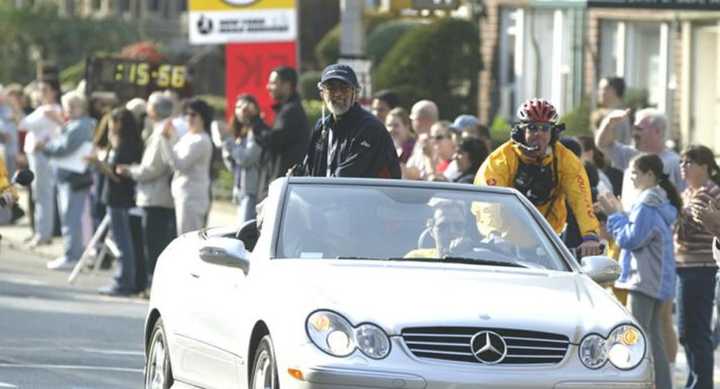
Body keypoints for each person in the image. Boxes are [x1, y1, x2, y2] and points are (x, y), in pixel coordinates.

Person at [475, 98, 602, 257]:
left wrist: (590, 235)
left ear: (553, 132)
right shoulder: (500, 160)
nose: (539, 134)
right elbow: (488, 200)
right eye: (532, 128)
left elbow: (581, 199)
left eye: (545, 129)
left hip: (547, 240)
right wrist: (493, 233)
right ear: (521, 131)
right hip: (504, 242)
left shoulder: (566, 160)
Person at [597, 153, 680, 389]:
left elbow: (631, 239)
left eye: (635, 173)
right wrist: (621, 214)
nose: (631, 177)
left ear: (650, 175)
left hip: (642, 279)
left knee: (636, 337)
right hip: (653, 278)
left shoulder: (645, 204)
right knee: (652, 337)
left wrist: (614, 214)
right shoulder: (658, 202)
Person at [292, 64, 400, 179]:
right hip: (327, 194)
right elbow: (310, 170)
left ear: (356, 94)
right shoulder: (322, 126)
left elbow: (346, 176)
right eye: (331, 88)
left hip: (367, 196)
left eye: (344, 88)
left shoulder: (370, 128)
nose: (338, 94)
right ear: (322, 94)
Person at [115, 92, 176, 283]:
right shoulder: (159, 130)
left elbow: (153, 168)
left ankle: (153, 284)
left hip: (156, 196)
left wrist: (130, 171)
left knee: (154, 244)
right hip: (154, 195)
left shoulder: (161, 134)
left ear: (155, 110)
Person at [673, 145, 720, 389]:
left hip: (700, 269)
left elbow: (684, 232)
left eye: (689, 162)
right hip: (686, 268)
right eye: (681, 162)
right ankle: (695, 382)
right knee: (687, 332)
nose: (683, 167)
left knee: (695, 333)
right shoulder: (689, 193)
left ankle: (700, 384)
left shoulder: (706, 193)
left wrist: (672, 209)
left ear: (705, 166)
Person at [87, 108, 144, 296]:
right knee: (120, 240)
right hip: (113, 197)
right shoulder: (117, 142)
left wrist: (98, 164)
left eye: (113, 123)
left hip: (120, 197)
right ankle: (124, 280)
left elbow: (119, 173)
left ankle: (124, 281)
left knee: (122, 242)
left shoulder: (127, 145)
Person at [38, 90, 95, 271]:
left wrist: (44, 146)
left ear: (81, 107)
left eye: (72, 107)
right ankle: (72, 254)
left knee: (70, 218)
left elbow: (64, 148)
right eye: (67, 107)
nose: (68, 111)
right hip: (69, 176)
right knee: (71, 218)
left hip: (73, 177)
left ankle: (72, 256)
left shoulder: (80, 126)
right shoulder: (79, 124)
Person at [158, 98, 214, 235]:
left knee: (188, 240)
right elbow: (170, 159)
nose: (189, 118)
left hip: (192, 198)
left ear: (203, 118)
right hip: (182, 195)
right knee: (181, 238)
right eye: (187, 114)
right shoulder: (189, 136)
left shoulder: (202, 140)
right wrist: (169, 138)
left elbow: (179, 165)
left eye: (193, 114)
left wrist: (165, 140)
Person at [20, 80, 62, 247]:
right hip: (35, 156)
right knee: (38, 195)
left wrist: (14, 106)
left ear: (53, 92)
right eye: (40, 90)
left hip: (43, 156)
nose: (41, 93)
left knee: (43, 195)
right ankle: (41, 231)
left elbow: (23, 124)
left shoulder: (51, 109)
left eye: (45, 90)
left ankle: (44, 233)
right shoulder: (43, 109)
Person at [222, 94, 271, 224]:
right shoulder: (241, 132)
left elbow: (246, 159)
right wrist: (228, 151)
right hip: (240, 190)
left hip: (254, 192)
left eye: (246, 106)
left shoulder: (257, 130)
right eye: (238, 106)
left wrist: (230, 145)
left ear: (254, 109)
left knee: (246, 232)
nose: (241, 110)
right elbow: (234, 166)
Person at [256, 66, 310, 182]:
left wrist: (255, 122)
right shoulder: (288, 109)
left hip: (285, 184)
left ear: (287, 85)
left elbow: (273, 140)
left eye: (273, 83)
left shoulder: (291, 111)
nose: (268, 87)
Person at [405, 100, 439, 180]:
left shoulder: (432, 143)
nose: (411, 122)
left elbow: (426, 176)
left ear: (422, 120)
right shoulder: (420, 141)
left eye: (413, 119)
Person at [596, 76, 631, 145]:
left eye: (602, 89)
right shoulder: (613, 113)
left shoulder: (618, 116)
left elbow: (610, 146)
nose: (599, 92)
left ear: (613, 91)